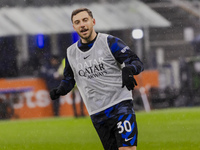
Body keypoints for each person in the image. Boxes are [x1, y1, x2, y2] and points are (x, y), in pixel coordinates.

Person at [50, 8, 144, 150]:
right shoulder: (71, 53)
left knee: (127, 149)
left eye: (85, 20)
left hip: (120, 105)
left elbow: (136, 62)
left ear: (93, 22)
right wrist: (60, 90)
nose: (82, 24)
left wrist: (129, 69)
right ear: (74, 27)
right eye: (77, 22)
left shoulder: (110, 42)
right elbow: (69, 79)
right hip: (97, 113)